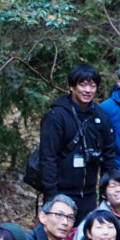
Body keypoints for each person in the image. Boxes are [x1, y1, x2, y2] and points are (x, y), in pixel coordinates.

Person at [37, 67, 109, 225]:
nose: (88, 90)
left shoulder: (100, 116)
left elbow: (109, 155)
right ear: (72, 87)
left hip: (89, 194)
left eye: (92, 86)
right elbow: (48, 158)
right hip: (61, 192)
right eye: (83, 85)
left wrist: (105, 192)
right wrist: (51, 195)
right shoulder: (56, 116)